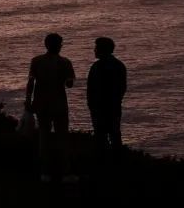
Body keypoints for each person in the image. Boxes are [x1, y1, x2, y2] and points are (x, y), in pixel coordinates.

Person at [25, 32, 75, 182]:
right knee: (62, 138)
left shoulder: (36, 61)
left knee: (44, 137)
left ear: (46, 45)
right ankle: (65, 172)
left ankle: (45, 172)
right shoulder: (65, 62)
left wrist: (28, 101)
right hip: (59, 104)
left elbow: (30, 83)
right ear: (59, 46)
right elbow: (69, 84)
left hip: (41, 104)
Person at [87, 37, 127, 158]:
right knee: (115, 134)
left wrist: (92, 105)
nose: (94, 50)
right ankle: (117, 161)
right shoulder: (119, 65)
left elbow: (91, 89)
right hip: (114, 106)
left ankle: (103, 162)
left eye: (96, 48)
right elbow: (122, 88)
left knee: (100, 136)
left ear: (101, 49)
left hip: (100, 107)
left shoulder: (96, 67)